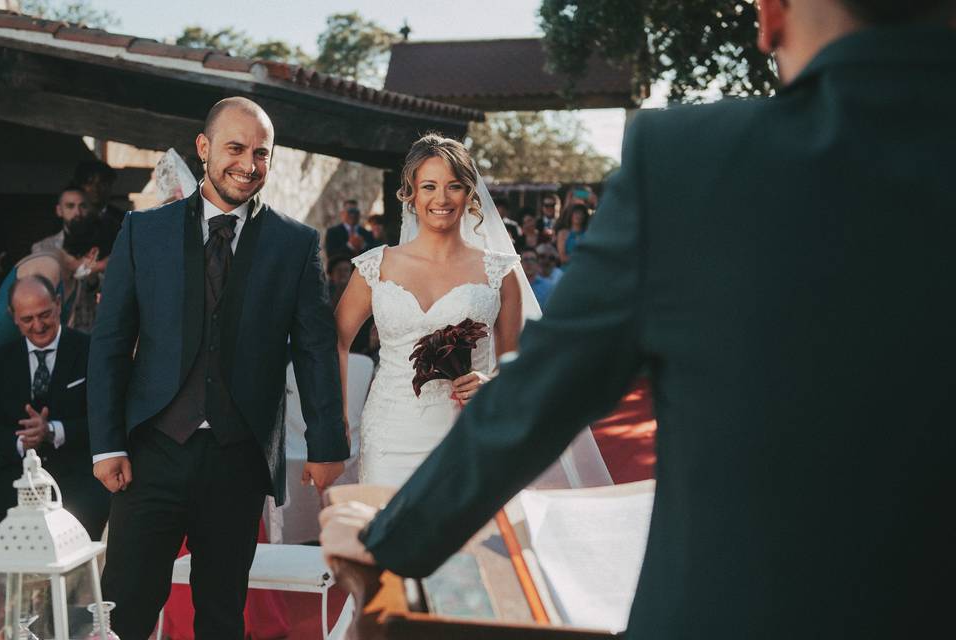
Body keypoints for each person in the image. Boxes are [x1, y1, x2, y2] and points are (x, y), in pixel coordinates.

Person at [320, 2, 956, 637]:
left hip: (730, 609)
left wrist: (389, 537)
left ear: (770, 18)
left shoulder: (691, 162)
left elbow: (542, 392)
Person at [88, 97, 348, 637]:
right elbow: (112, 342)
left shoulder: (295, 244)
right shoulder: (144, 232)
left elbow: (315, 349)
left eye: (261, 153)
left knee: (223, 615)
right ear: (204, 148)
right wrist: (107, 443)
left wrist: (326, 444)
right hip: (151, 453)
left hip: (238, 459)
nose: (248, 164)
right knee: (124, 608)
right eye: (235, 148)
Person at [333, 134, 526, 487]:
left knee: (462, 539)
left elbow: (514, 360)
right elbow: (336, 342)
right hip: (390, 434)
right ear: (411, 193)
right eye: (429, 186)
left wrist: (492, 383)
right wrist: (339, 416)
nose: (441, 198)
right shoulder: (375, 266)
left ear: (470, 193)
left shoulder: (501, 271)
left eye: (454, 186)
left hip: (466, 432)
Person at [0, 276, 109, 539]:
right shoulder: (1, 361)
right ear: (13, 317)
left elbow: (105, 417)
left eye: (45, 314)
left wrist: (53, 430)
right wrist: (21, 442)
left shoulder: (90, 351)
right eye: (27, 319)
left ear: (58, 304)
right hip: (13, 482)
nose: (38, 326)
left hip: (79, 482)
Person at [31, 185, 89, 254]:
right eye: (70, 206)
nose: (78, 213)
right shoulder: (42, 247)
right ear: (59, 211)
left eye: (83, 206)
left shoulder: (103, 245)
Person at [72, 160, 125, 227]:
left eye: (102, 183)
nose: (95, 188)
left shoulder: (123, 220)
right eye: (89, 183)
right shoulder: (69, 216)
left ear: (110, 186)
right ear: (79, 186)